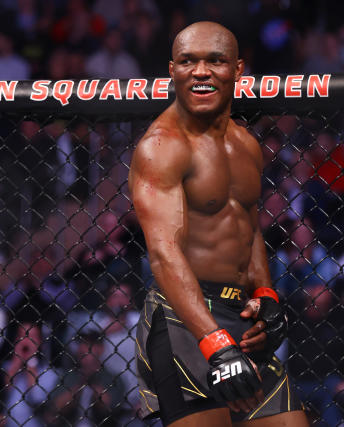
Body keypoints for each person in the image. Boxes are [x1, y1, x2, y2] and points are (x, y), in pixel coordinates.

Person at [128, 21, 308, 426]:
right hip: (184, 321)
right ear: (172, 70)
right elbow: (163, 252)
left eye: (215, 60)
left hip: (239, 316)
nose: (201, 71)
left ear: (238, 69)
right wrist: (214, 343)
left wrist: (265, 295)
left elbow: (249, 228)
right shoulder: (162, 146)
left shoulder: (245, 143)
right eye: (188, 61)